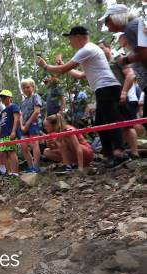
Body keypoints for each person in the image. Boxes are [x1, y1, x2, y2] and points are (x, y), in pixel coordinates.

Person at [37, 25, 128, 168]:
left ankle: (119, 153)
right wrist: (62, 65)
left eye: (71, 39)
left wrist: (45, 66)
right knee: (100, 124)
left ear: (78, 37)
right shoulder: (92, 50)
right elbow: (79, 75)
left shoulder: (87, 49)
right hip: (105, 88)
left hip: (106, 87)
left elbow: (63, 70)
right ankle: (109, 154)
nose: (70, 42)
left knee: (110, 121)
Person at [98, 39, 140, 159]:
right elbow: (82, 75)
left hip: (122, 95)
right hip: (109, 97)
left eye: (102, 48)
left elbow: (130, 75)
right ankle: (119, 152)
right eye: (99, 49)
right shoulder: (101, 65)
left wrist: (124, 92)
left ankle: (135, 152)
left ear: (109, 47)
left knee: (127, 125)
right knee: (114, 125)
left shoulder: (117, 57)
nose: (101, 51)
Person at [19, 78, 43, 173]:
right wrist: (21, 126)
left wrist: (27, 124)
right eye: (23, 88)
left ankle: (36, 166)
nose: (25, 89)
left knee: (34, 143)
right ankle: (30, 166)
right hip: (24, 126)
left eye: (28, 87)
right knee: (23, 144)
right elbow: (21, 114)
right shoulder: (23, 101)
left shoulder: (35, 97)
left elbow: (37, 111)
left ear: (33, 87)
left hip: (34, 123)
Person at [0, 90, 20, 176]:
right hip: (2, 135)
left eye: (4, 97)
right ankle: (9, 172)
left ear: (10, 98)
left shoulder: (14, 107)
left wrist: (13, 131)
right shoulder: (2, 112)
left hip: (10, 133)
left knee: (11, 151)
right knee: (3, 153)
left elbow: (16, 119)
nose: (2, 99)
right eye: (1, 98)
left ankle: (15, 172)